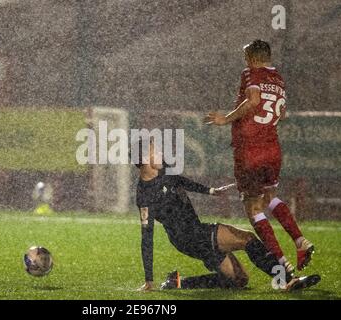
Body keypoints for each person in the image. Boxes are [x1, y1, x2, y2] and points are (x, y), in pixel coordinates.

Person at [133, 138, 320, 291]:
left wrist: (211, 191)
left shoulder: (163, 171)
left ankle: (179, 283)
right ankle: (287, 280)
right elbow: (146, 238)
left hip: (194, 234)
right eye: (154, 151)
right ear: (143, 158)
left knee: (239, 280)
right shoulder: (145, 195)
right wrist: (149, 279)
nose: (160, 154)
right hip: (190, 237)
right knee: (247, 239)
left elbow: (180, 181)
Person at [204, 39, 314, 272]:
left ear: (253, 59)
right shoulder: (279, 79)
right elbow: (281, 114)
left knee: (253, 206)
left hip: (250, 149)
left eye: (246, 57)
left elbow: (253, 100)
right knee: (270, 197)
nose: (245, 61)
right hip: (272, 148)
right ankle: (300, 241)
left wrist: (226, 118)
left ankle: (281, 263)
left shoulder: (251, 73)